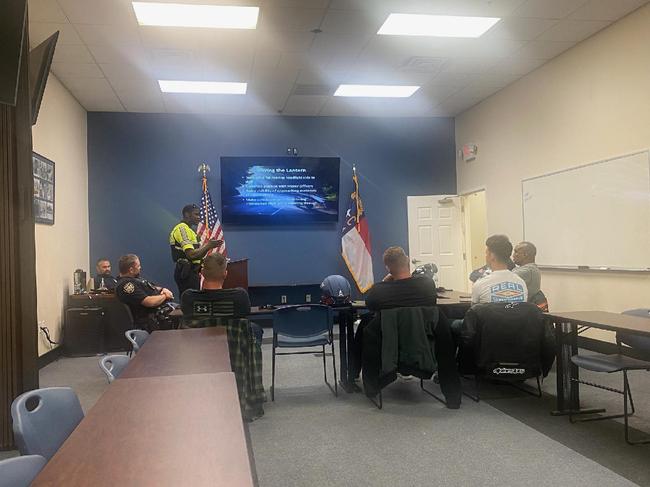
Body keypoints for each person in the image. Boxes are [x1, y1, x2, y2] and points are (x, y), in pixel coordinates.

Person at [351, 247, 461, 408]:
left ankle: (370, 386)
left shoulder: (380, 291)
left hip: (390, 346)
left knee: (366, 326)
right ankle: (453, 397)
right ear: (407, 261)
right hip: (423, 342)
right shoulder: (427, 285)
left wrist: (386, 280)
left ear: (388, 267)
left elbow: (371, 305)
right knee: (444, 332)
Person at [181, 253, 262, 344]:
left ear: (202, 273)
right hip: (232, 348)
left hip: (198, 348)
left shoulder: (188, 297)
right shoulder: (239, 297)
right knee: (255, 329)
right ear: (225, 274)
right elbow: (245, 313)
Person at [169, 203, 222, 297]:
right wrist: (208, 246)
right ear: (187, 215)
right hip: (186, 272)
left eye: (199, 215)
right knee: (190, 302)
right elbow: (191, 255)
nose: (199, 217)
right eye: (196, 214)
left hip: (193, 271)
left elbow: (197, 255)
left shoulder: (190, 231)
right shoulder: (182, 229)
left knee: (194, 301)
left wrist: (208, 246)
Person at [115, 254, 174, 331]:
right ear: (131, 270)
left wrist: (163, 289)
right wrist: (165, 296)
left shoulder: (135, 279)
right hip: (151, 322)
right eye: (138, 266)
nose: (140, 267)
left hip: (162, 312)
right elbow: (149, 302)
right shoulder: (126, 285)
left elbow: (152, 287)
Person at [471, 235, 528, 305]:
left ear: (492, 256)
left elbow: (473, 310)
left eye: (486, 254)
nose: (486, 257)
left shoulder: (480, 285)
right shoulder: (522, 284)